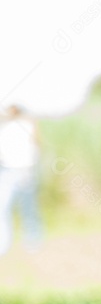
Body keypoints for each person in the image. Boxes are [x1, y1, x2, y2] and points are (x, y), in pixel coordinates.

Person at [0, 104, 44, 256]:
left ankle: (33, 241)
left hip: (26, 170)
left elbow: (36, 144)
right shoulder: (4, 122)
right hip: (7, 170)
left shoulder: (28, 121)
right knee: (3, 208)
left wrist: (31, 168)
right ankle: (4, 243)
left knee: (28, 208)